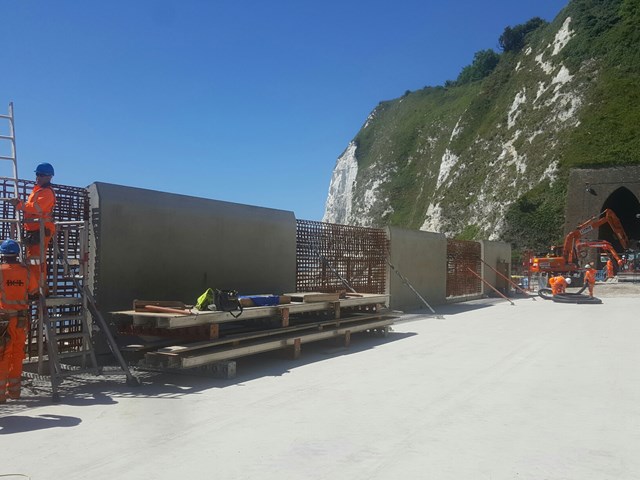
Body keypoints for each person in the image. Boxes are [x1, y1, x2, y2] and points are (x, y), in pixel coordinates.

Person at [0, 239, 37, 402]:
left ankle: (0, 394)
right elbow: (34, 291)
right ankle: (14, 391)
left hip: (3, 322)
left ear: (2, 255)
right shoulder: (26, 271)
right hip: (21, 320)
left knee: (2, 355)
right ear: (17, 254)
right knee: (17, 354)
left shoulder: (0, 271)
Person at [9, 163, 56, 288]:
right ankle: (35, 288)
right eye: (37, 174)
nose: (38, 177)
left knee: (36, 261)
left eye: (41, 175)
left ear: (49, 177)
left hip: (41, 229)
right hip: (34, 229)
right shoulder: (38, 191)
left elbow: (37, 208)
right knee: (33, 260)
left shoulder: (47, 193)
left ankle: (38, 289)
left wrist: (19, 205)